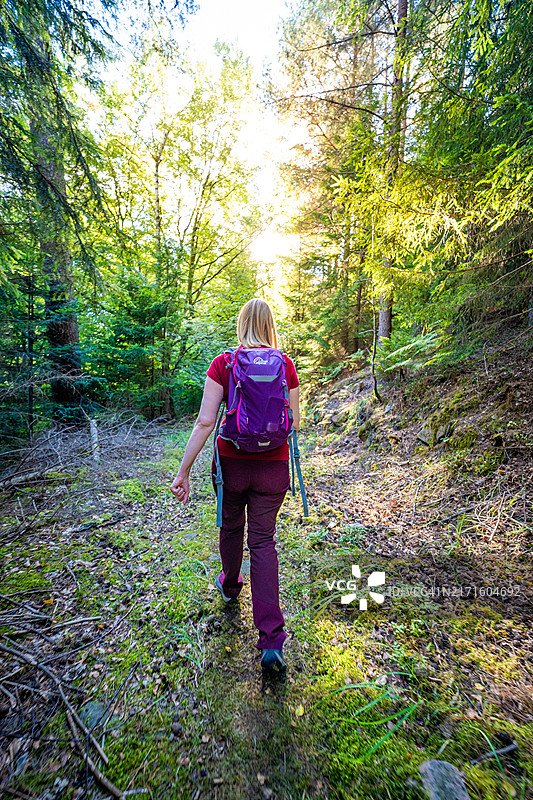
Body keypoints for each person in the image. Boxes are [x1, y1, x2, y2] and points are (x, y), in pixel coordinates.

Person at [170, 298, 300, 674]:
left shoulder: (224, 363)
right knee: (262, 541)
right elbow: (294, 422)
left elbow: (204, 422)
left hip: (231, 464)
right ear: (271, 325)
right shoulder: (286, 365)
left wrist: (184, 471)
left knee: (231, 526)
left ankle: (229, 585)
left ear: (242, 324)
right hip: (273, 468)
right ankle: (272, 640)